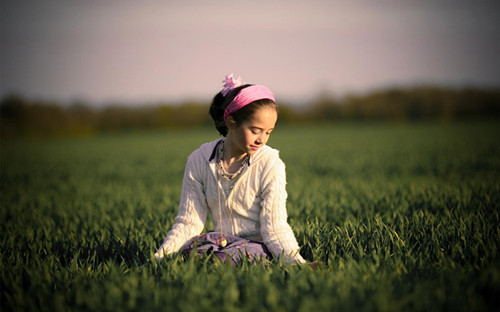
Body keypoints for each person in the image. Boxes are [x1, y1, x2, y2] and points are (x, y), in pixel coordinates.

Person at [155, 74, 307, 265]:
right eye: (255, 130)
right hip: (218, 243)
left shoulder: (270, 163)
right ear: (231, 122)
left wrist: (297, 264)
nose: (262, 139)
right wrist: (157, 260)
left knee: (221, 261)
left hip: (256, 247)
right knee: (192, 256)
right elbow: (188, 223)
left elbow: (275, 228)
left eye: (268, 132)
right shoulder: (198, 160)